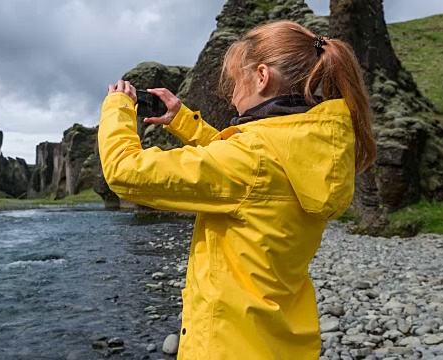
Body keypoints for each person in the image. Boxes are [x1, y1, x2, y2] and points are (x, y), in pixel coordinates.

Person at [98, 20, 376, 360]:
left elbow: (124, 172)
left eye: (235, 80)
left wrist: (118, 107)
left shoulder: (251, 160)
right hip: (284, 342)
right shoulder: (313, 148)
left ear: (262, 76)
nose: (231, 94)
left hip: (229, 347)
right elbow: (246, 172)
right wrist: (183, 121)